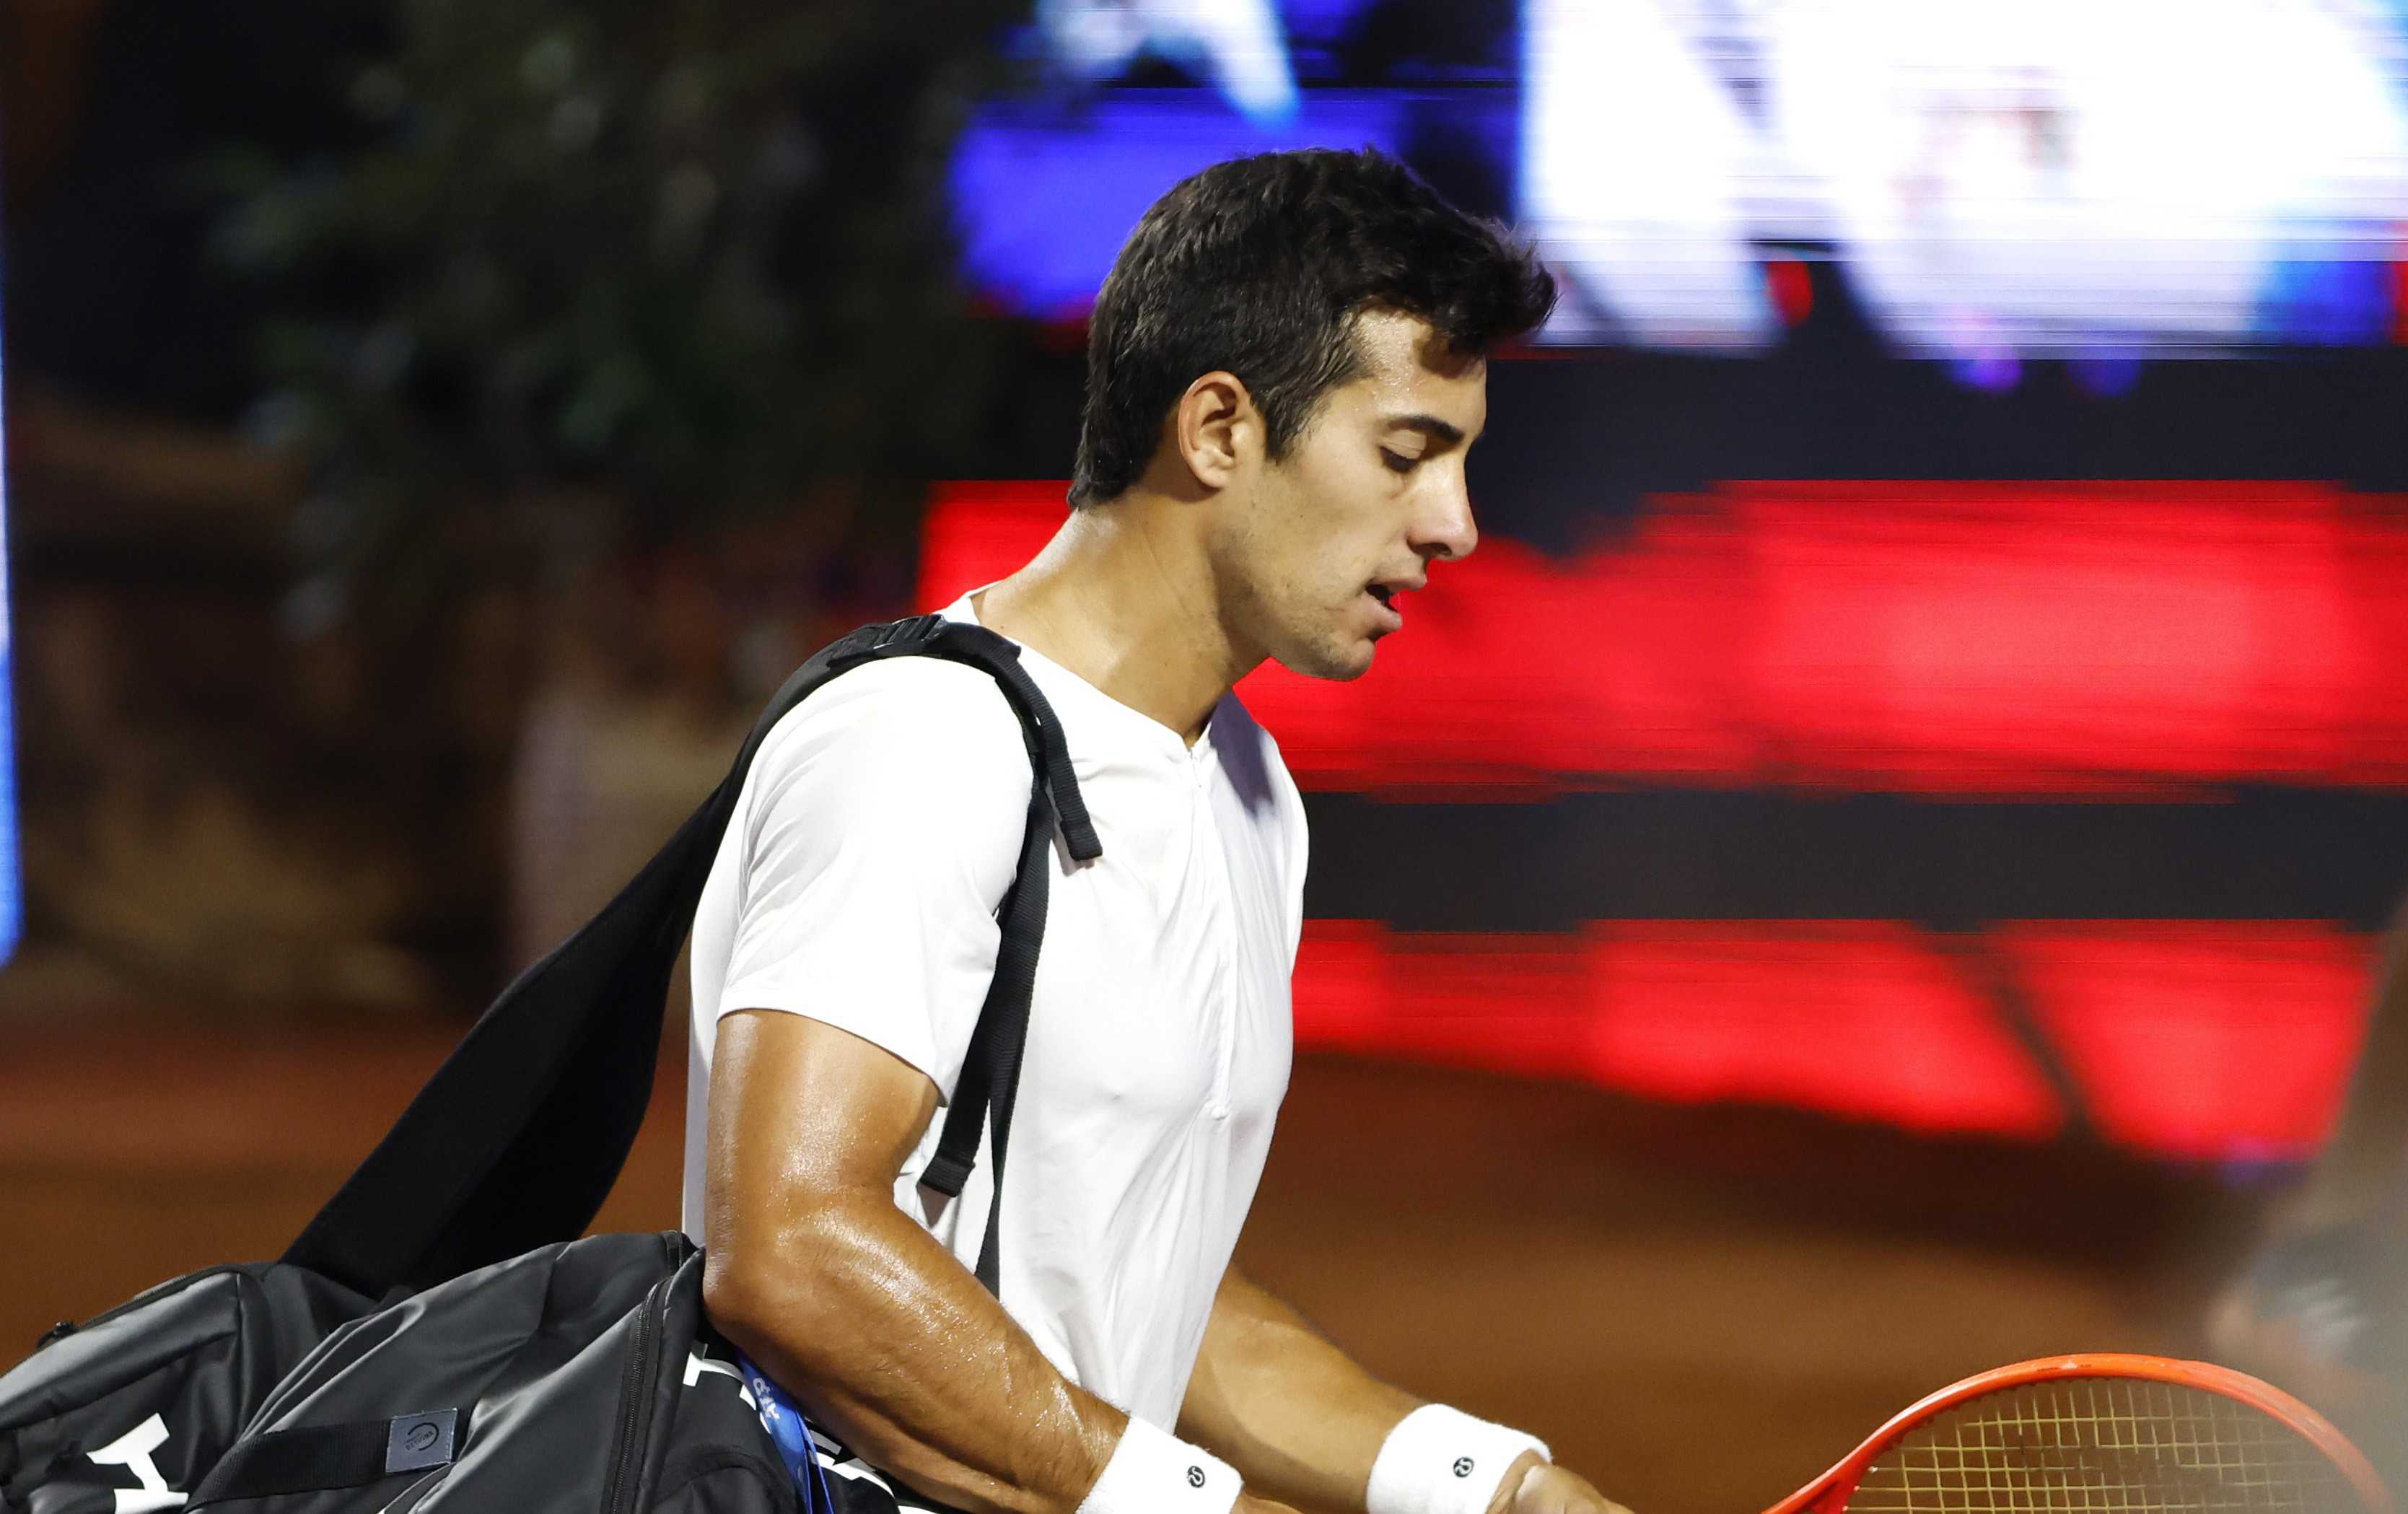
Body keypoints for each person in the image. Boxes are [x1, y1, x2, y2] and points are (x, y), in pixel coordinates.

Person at [678, 147, 1625, 1514]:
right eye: (1408, 453)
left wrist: (1491, 1486)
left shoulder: (1246, 788)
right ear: (1221, 429)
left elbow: (1137, 1284)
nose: (1453, 526)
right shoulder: (923, 745)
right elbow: (795, 1241)